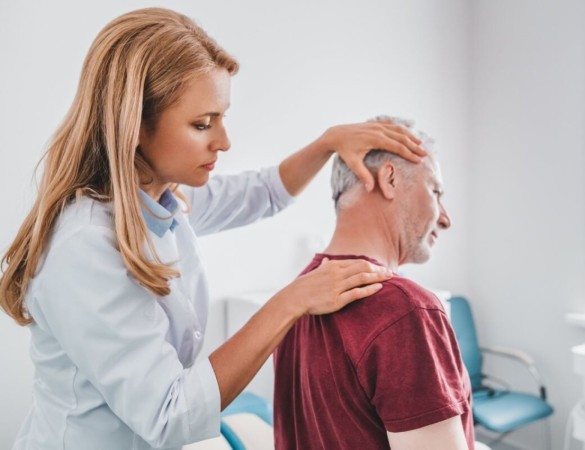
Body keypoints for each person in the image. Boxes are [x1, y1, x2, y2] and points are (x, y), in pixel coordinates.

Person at [0, 9, 427, 450]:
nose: (224, 141)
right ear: (136, 127)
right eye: (202, 124)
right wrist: (292, 301)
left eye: (222, 117)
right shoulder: (86, 244)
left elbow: (261, 193)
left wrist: (327, 143)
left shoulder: (164, 201)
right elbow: (171, 415)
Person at [273, 117, 475, 450]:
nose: (445, 217)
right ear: (390, 179)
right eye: (435, 191)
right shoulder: (406, 311)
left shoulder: (299, 294)